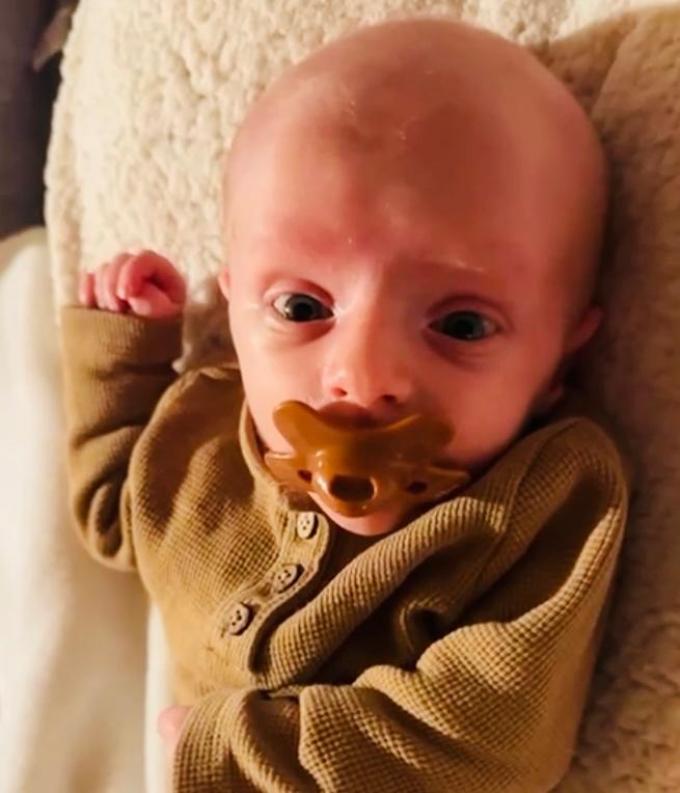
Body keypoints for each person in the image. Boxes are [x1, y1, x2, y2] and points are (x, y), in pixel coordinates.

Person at [60, 16, 630, 792]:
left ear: (561, 358)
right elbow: (112, 513)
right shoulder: (200, 432)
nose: (361, 375)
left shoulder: (538, 503)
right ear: (234, 306)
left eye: (461, 325)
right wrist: (123, 355)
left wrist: (237, 749)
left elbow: (494, 743)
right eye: (301, 308)